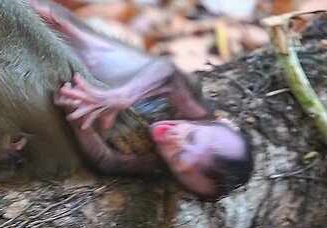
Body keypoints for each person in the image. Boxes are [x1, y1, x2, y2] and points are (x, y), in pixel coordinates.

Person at [30, 0, 254, 199]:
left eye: (178, 157)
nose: (174, 138)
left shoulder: (156, 166)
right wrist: (119, 98)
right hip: (99, 60)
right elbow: (167, 73)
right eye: (192, 136)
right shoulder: (198, 112)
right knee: (42, 15)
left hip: (68, 80)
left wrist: (80, 123)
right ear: (220, 120)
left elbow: (106, 162)